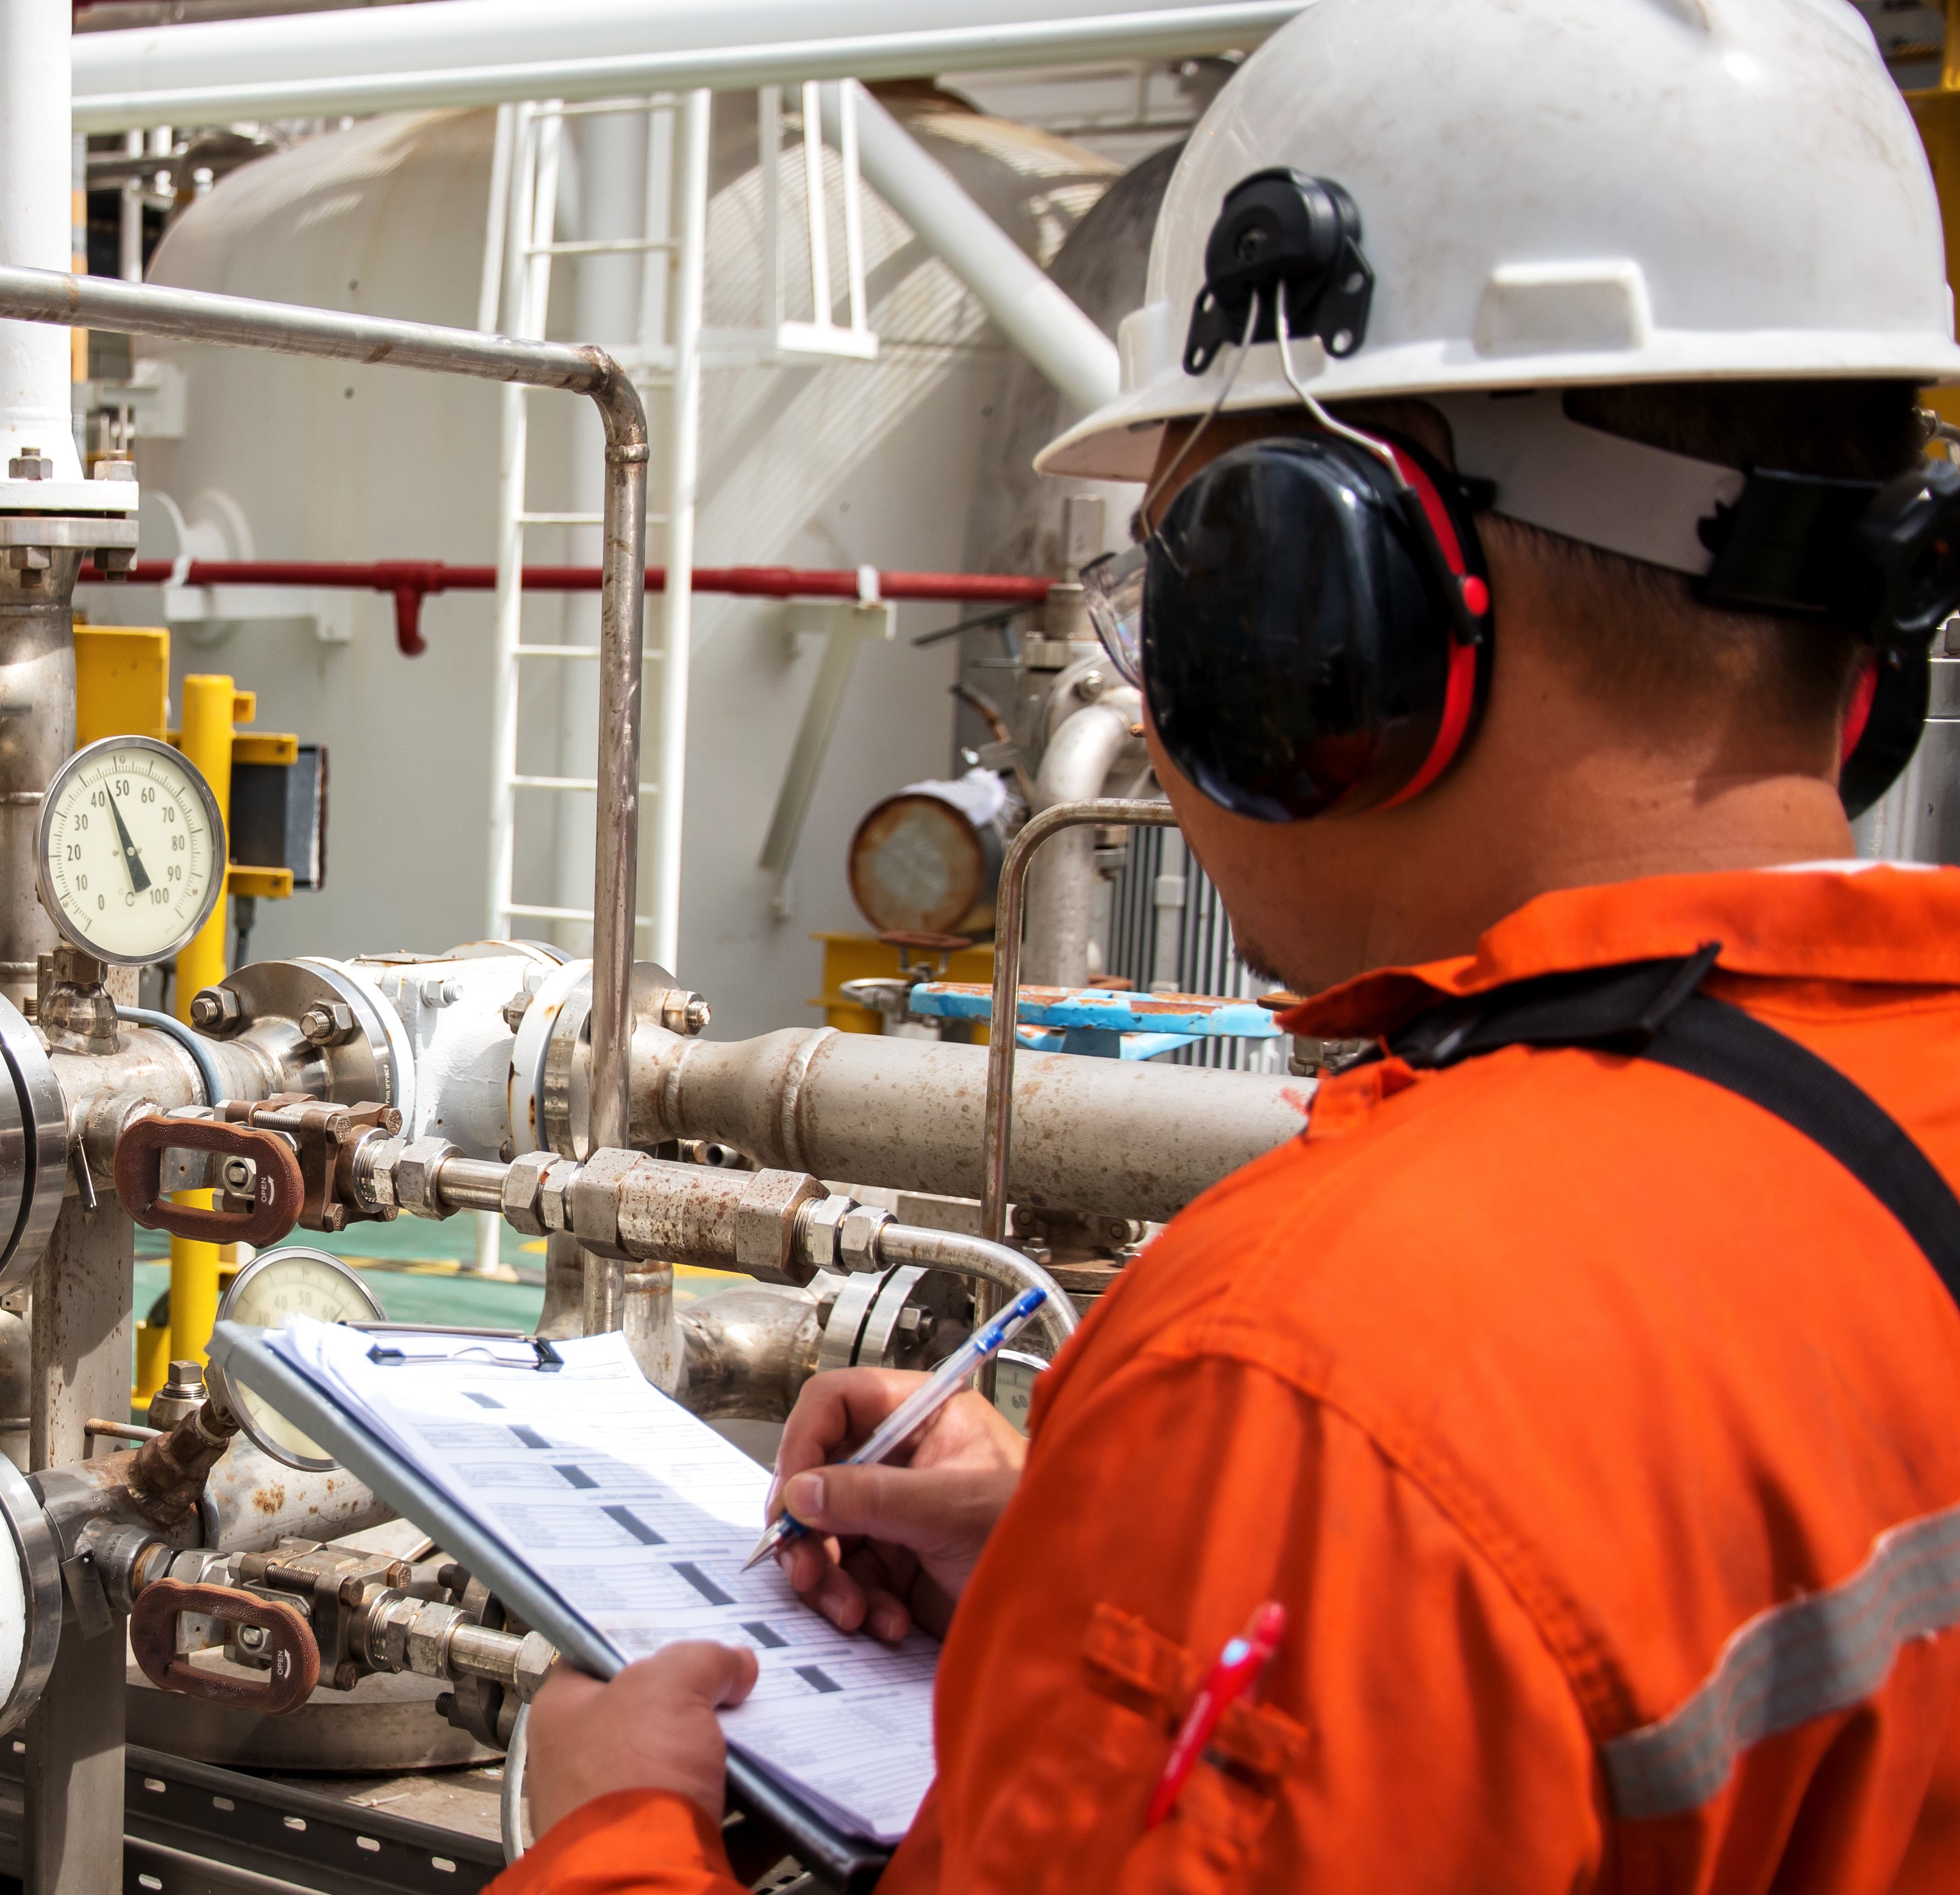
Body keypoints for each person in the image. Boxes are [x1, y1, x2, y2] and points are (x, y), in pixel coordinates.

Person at [490, 0, 1960, 1888]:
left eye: (1167, 575)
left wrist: (607, 1823)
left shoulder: (1315, 1376)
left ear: (1308, 608)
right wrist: (1107, 1582)